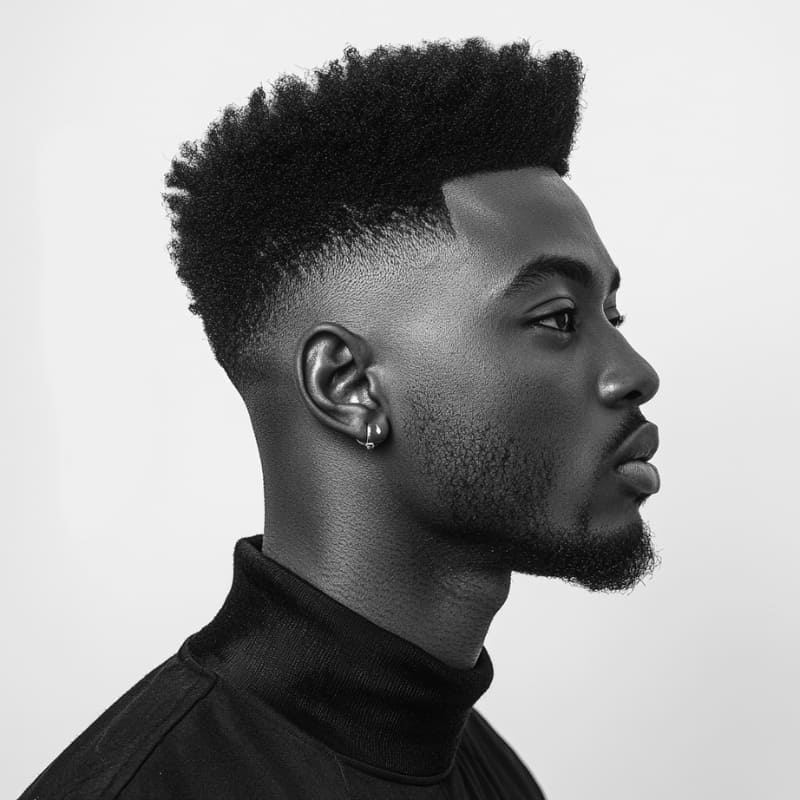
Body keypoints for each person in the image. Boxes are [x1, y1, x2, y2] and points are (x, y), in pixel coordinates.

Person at [19, 37, 661, 799]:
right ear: (349, 385)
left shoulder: (492, 774)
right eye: (558, 319)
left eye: (611, 314)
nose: (634, 374)